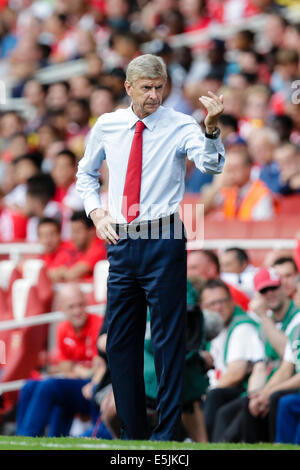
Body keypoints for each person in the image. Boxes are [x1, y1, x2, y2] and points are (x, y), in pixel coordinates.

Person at [76, 53, 225, 441]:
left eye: (160, 87)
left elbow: (211, 167)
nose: (155, 95)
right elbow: (85, 174)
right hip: (122, 241)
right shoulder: (107, 125)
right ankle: (133, 435)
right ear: (128, 88)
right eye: (146, 88)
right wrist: (97, 213)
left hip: (164, 238)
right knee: (121, 344)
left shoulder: (182, 125)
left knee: (168, 340)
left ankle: (166, 437)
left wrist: (211, 131)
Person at [16, 283, 104, 437]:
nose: (77, 311)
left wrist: (76, 369)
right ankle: (20, 439)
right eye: (71, 307)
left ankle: (27, 436)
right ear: (62, 309)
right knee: (28, 386)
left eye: (80, 305)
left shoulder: (98, 324)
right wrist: (79, 370)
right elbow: (64, 366)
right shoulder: (62, 329)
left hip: (94, 387)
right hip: (76, 383)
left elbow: (99, 368)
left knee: (51, 386)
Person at [199, 279, 264, 441]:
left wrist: (207, 394)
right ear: (202, 308)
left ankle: (202, 442)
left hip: (243, 392)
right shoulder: (216, 327)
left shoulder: (242, 327)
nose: (218, 307)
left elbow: (236, 373)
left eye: (222, 301)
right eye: (211, 304)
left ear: (231, 301)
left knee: (214, 396)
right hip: (222, 391)